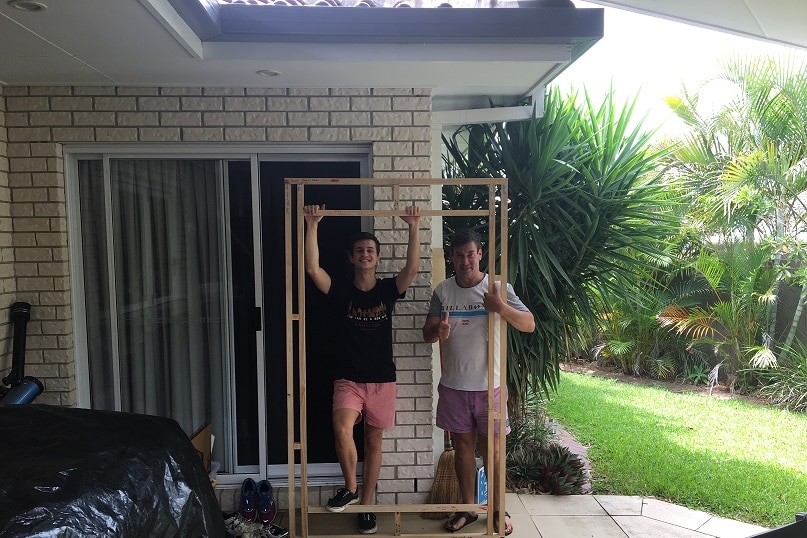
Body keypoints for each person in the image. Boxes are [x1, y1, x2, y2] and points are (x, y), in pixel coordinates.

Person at [303, 203, 421, 535]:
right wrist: (312, 224)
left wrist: (414, 226)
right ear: (352, 258)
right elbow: (313, 269)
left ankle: (366, 506)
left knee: (373, 442)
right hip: (349, 377)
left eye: (370, 250)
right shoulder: (341, 290)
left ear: (377, 258)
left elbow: (411, 269)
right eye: (359, 251)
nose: (365, 254)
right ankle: (351, 489)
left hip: (382, 378)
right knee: (342, 429)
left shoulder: (386, 290)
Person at [422, 229, 535, 536]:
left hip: (491, 388)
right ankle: (469, 508)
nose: (464, 261)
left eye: (470, 254)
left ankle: (497, 508)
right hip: (454, 387)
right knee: (462, 448)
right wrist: (438, 333)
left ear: (480, 254)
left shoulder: (497, 287)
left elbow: (528, 324)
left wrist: (501, 308)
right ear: (452, 258)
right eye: (458, 255)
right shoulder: (443, 291)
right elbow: (426, 331)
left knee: (494, 451)